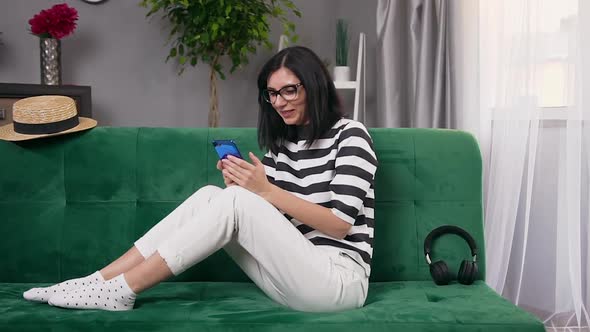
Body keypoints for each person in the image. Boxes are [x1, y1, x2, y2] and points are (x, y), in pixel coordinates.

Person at [22, 46, 378, 313]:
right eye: (272, 94)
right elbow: (277, 225)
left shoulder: (351, 135)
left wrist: (262, 192)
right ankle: (99, 280)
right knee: (213, 194)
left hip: (338, 282)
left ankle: (122, 290)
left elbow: (339, 225)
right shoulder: (282, 146)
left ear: (314, 86)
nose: (279, 102)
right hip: (290, 277)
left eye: (290, 90)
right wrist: (244, 190)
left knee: (238, 201)